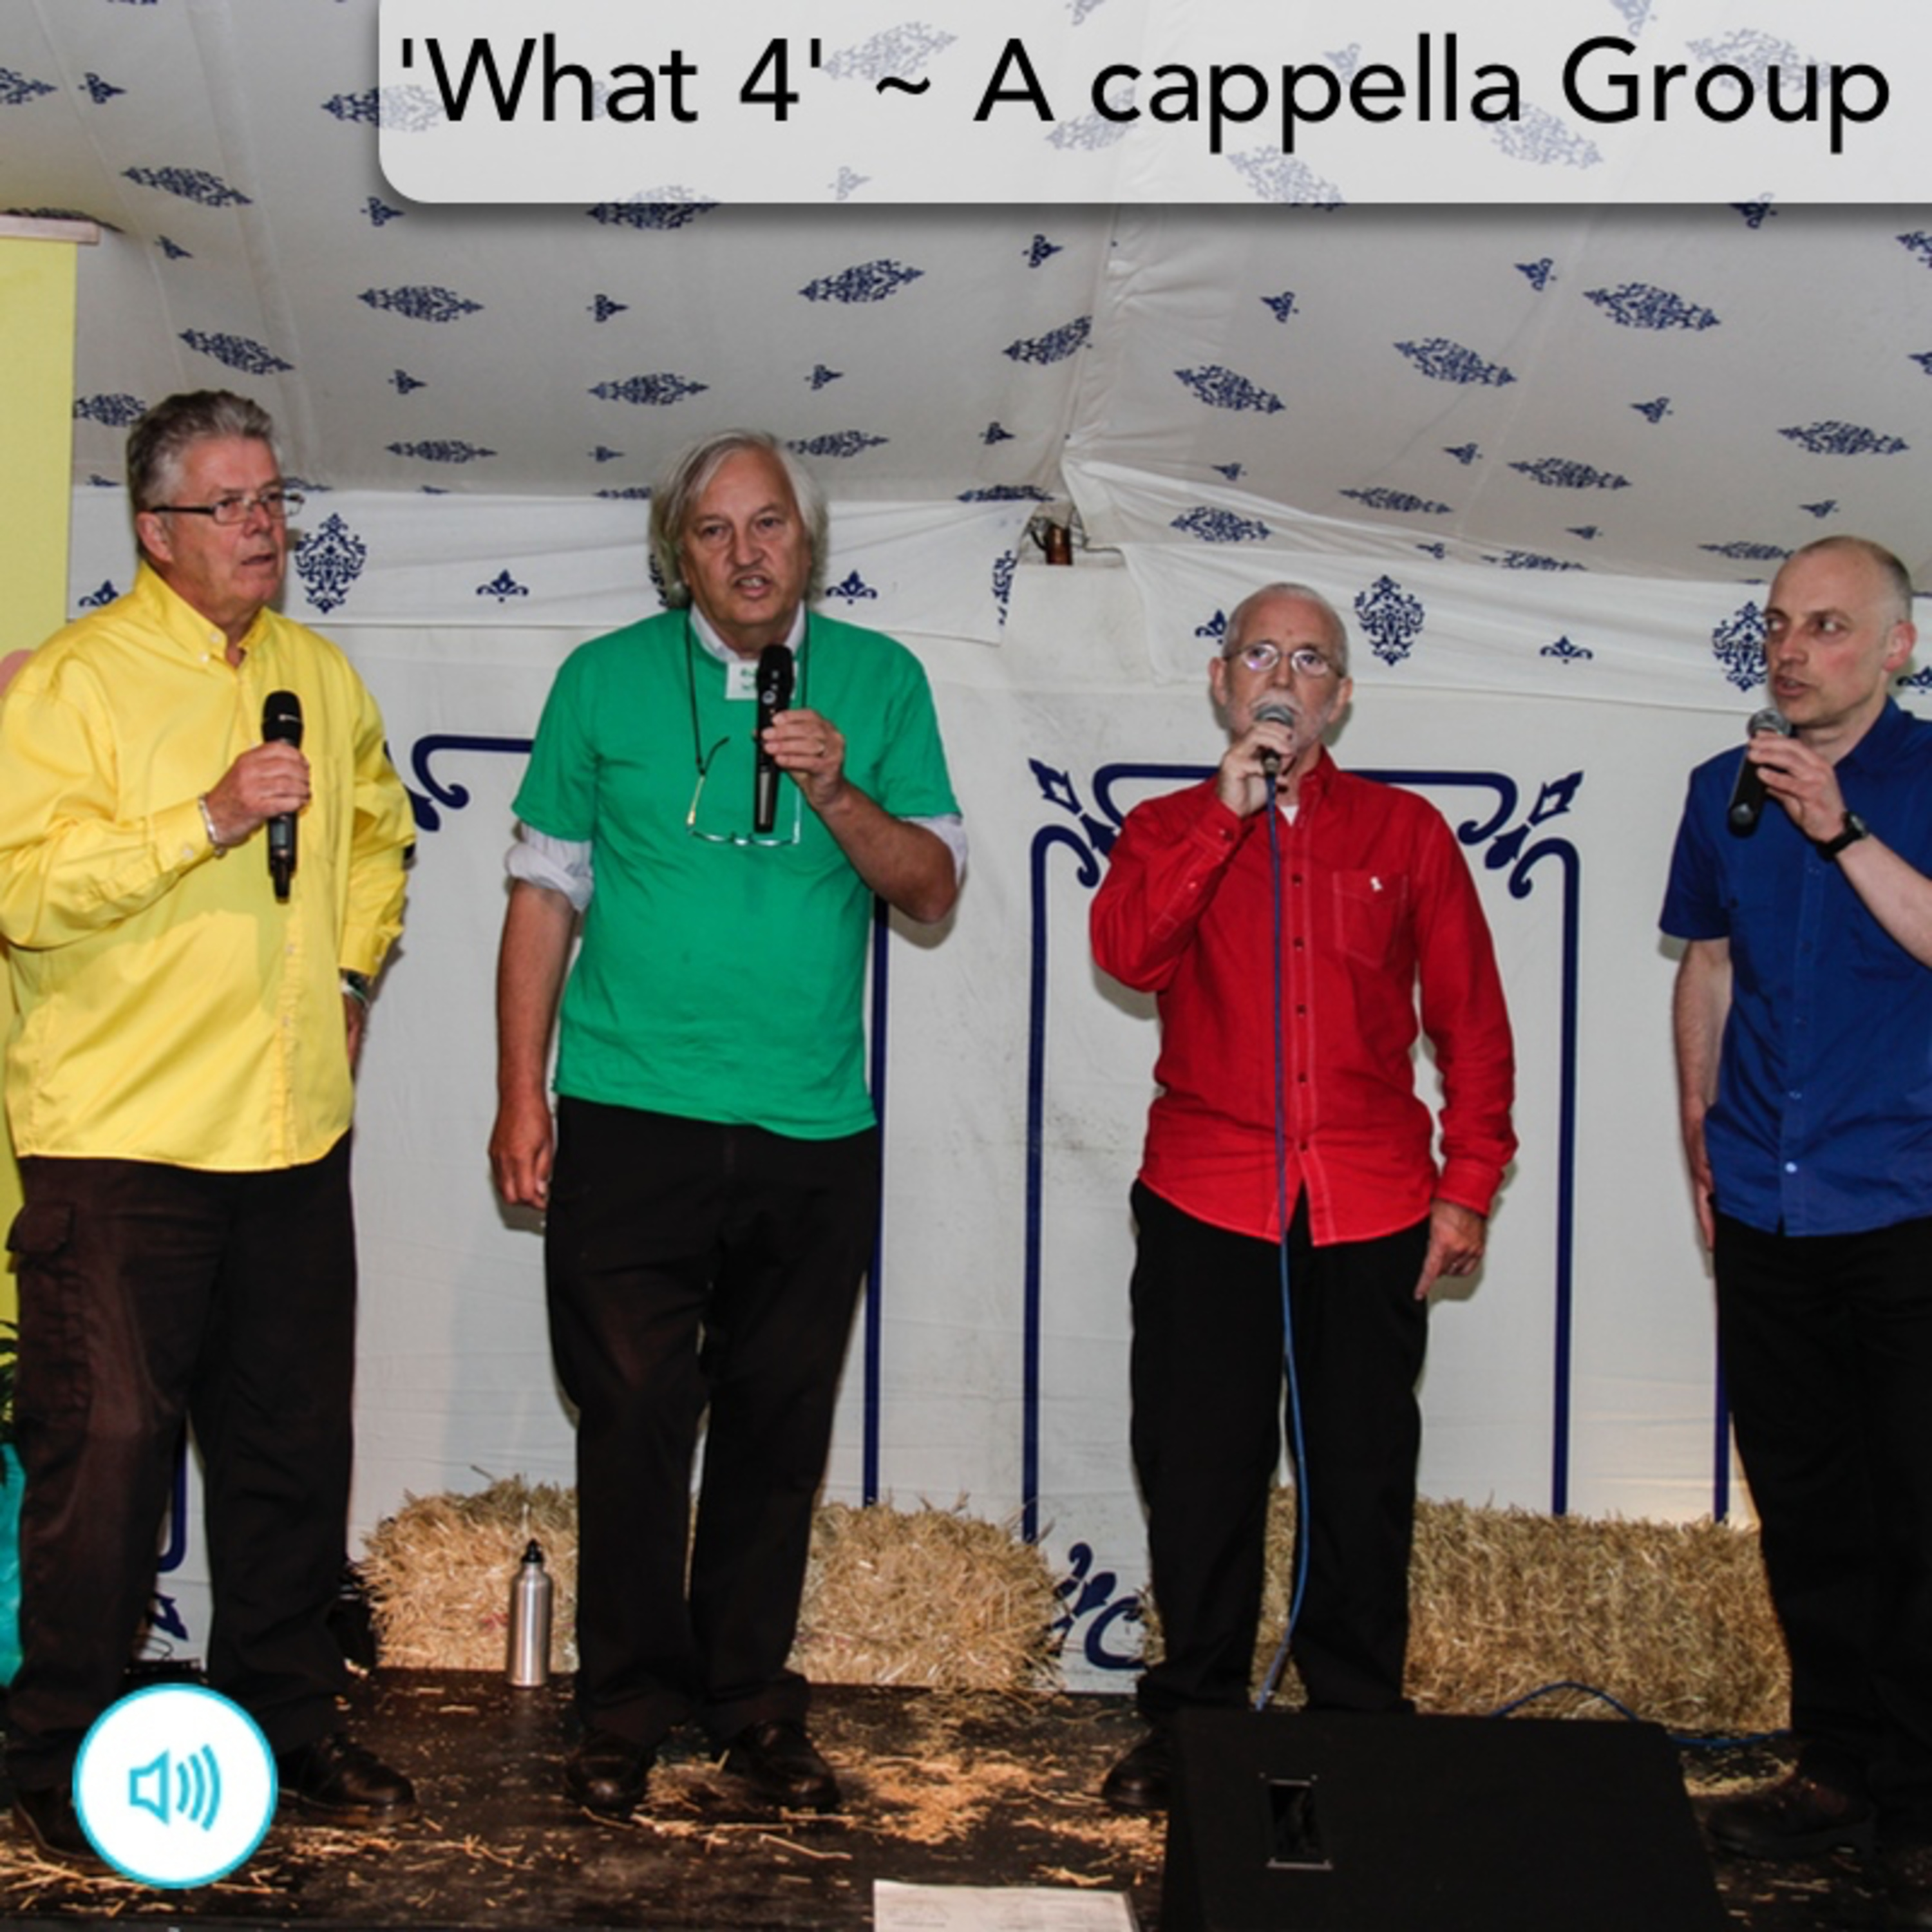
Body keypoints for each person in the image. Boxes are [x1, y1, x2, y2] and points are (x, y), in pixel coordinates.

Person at [489, 428, 962, 1817]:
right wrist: (520, 1091)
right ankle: (625, 1708)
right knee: (634, 1411)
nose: (747, 553)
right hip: (630, 1108)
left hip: (812, 1125)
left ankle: (751, 1703)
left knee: (776, 1420)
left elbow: (932, 887)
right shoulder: (601, 679)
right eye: (715, 531)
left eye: (770, 526)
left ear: (809, 543)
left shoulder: (883, 680)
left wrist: (836, 788)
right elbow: (543, 895)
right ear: (676, 555)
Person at [0, 390, 417, 1861]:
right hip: (124, 1141)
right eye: (228, 506)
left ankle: (283, 1726)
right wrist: (209, 819)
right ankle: (54, 1752)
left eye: (272, 499)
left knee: (290, 1449)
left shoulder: (318, 673)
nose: (262, 528)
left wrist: (353, 971)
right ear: (154, 531)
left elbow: (377, 835)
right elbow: (22, 888)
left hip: (290, 1137)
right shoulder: (76, 682)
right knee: (106, 1452)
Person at [1089, 582, 1516, 1812]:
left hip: (1371, 1203)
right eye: (1260, 653)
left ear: (1342, 697)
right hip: (1207, 1197)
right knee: (1199, 1469)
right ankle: (1195, 1722)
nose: (1283, 676)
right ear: (1222, 683)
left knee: (1361, 1471)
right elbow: (1127, 955)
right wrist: (1221, 822)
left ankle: (1358, 1721)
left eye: (1311, 659)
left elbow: (1473, 1027)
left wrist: (1467, 1185)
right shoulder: (1165, 826)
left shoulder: (1407, 834)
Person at [1663, 536, 1932, 1927]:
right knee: (1809, 1506)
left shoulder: (1920, 779)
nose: (1790, 648)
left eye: (1827, 626)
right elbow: (1708, 965)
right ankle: (1833, 1768)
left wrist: (1841, 827)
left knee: (1918, 1515)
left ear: (1897, 647)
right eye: (1777, 624)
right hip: (1768, 1204)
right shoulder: (1725, 789)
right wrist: (1698, 1128)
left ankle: (1921, 1802)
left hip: (1906, 1202)